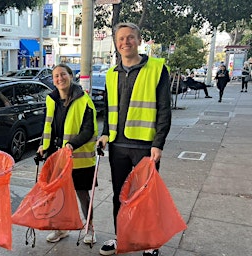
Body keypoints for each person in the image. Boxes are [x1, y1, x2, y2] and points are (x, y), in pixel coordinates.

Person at [96, 23, 172, 256]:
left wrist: (158, 143)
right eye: (121, 39)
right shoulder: (111, 73)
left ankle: (150, 243)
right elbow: (110, 109)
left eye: (130, 38)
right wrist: (105, 134)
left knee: (146, 198)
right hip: (118, 146)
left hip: (145, 147)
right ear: (116, 43)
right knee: (120, 195)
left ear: (139, 41)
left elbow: (163, 109)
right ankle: (122, 238)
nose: (125, 42)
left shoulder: (157, 69)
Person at [37, 63, 98, 245]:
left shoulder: (84, 100)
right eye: (56, 76)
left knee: (82, 195)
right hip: (56, 157)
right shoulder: (51, 100)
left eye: (63, 74)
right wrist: (42, 145)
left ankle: (90, 228)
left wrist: (72, 144)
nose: (60, 78)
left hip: (78, 159)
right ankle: (60, 228)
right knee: (57, 196)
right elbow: (47, 126)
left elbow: (89, 130)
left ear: (71, 76)